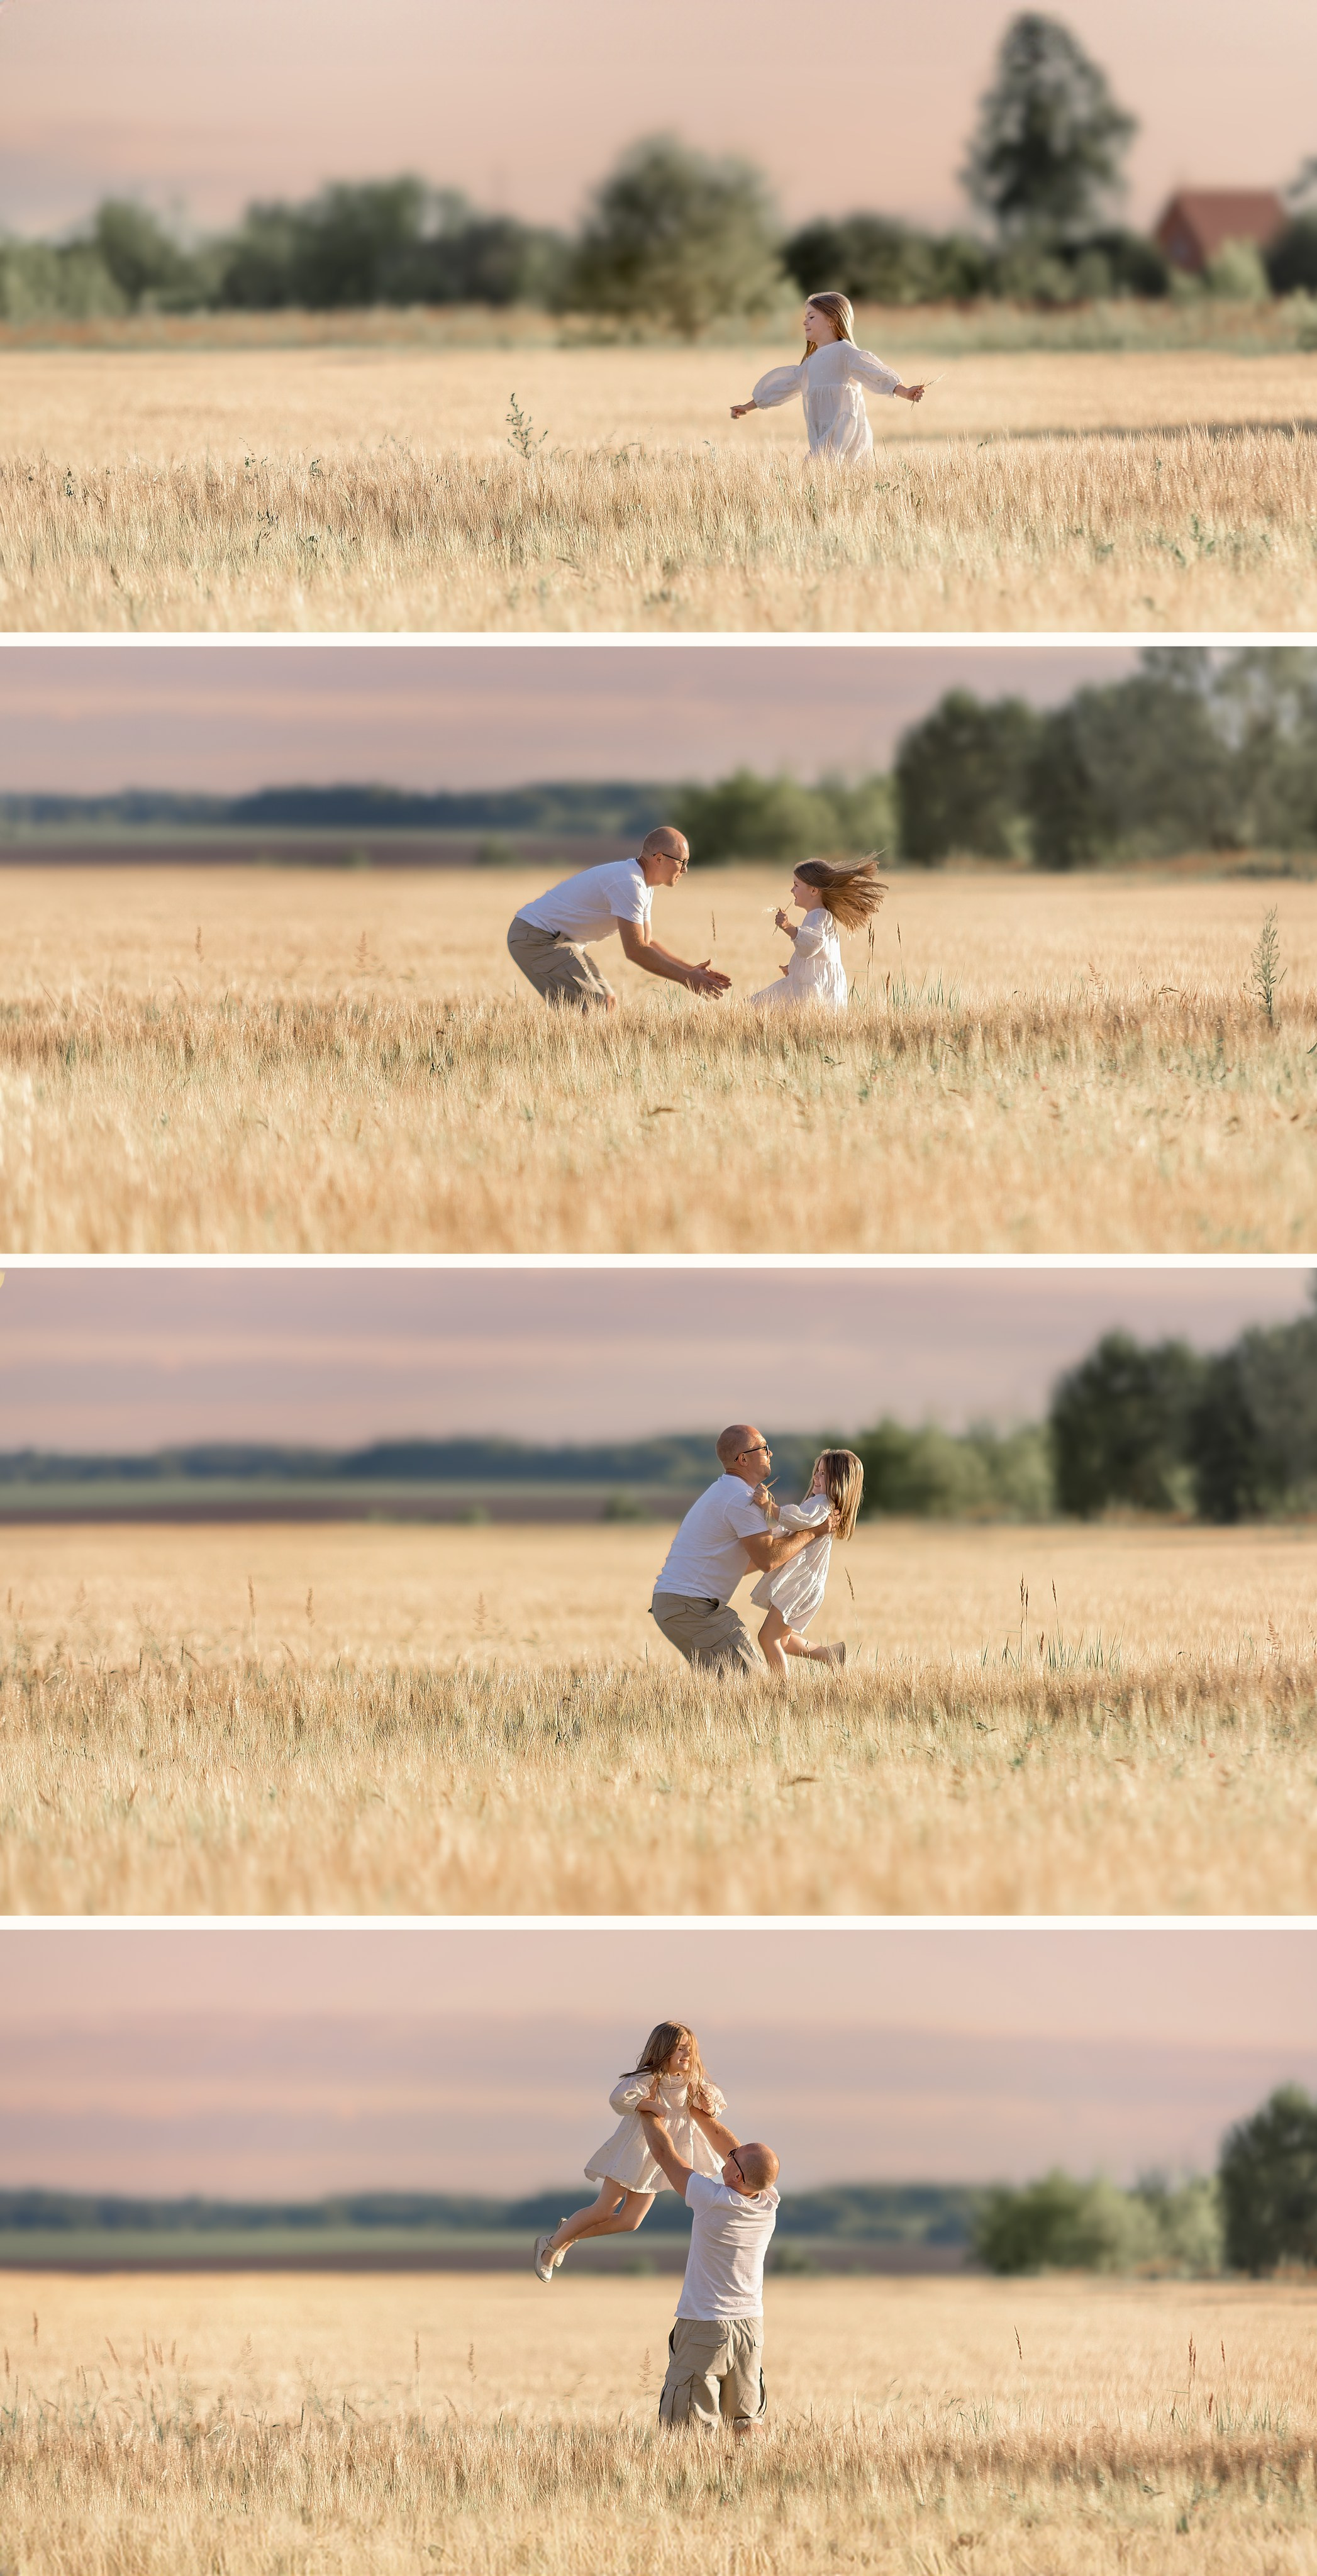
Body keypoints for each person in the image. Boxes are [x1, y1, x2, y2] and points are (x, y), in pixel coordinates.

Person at [532, 2021, 725, 2279]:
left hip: (659, 2159)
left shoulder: (693, 2083)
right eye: (680, 2049)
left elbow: (716, 2106)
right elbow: (619, 2099)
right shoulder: (648, 2079)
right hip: (635, 2152)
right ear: (663, 2050)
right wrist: (649, 2105)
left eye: (690, 2049)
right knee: (602, 2210)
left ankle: (564, 2235)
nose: (687, 2055)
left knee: (630, 2222)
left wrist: (707, 2106)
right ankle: (549, 2248)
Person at [642, 2092, 781, 2437]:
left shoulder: (712, 2201)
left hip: (706, 2324)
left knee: (690, 2427)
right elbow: (741, 2157)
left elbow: (664, 2155)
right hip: (750, 2328)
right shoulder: (768, 2202)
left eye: (734, 2158)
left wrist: (646, 2112)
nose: (729, 2153)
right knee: (747, 2423)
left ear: (736, 2177)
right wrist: (698, 2115)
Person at [649, 1424, 838, 1675]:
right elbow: (768, 1560)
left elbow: (745, 1564)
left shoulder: (726, 1490)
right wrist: (814, 1531)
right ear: (744, 1459)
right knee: (752, 1686)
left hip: (678, 1605)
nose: (770, 1454)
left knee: (738, 1689)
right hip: (691, 1608)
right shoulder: (742, 1500)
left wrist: (791, 1542)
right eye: (764, 1448)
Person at [506, 827, 730, 1014]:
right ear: (659, 858)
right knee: (594, 1008)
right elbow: (636, 951)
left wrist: (691, 971)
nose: (685, 870)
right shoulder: (629, 883)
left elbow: (647, 942)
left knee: (608, 1003)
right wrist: (686, 979)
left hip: (556, 940)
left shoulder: (643, 885)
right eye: (683, 862)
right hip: (537, 938)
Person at [730, 292, 927, 464]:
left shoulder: (845, 352)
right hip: (822, 431)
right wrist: (750, 406)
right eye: (805, 317)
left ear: (832, 320)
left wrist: (905, 392)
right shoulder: (811, 362)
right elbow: (785, 386)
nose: (804, 321)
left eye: (812, 316)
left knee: (816, 467)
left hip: (845, 429)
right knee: (823, 473)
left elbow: (874, 373)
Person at [751, 1447, 864, 1672]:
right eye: (817, 1471)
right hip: (805, 1584)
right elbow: (791, 1528)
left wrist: (769, 1506)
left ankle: (781, 1690)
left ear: (839, 1480)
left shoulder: (822, 1504)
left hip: (799, 1584)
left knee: (768, 1638)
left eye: (823, 1474)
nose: (816, 1477)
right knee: (783, 1640)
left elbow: (796, 1520)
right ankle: (830, 1655)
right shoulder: (823, 1505)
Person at [750, 858, 886, 1012]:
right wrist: (796, 967)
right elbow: (818, 953)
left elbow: (812, 944)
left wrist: (787, 927)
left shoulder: (819, 916)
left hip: (816, 988)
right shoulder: (818, 915)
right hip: (814, 983)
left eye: (796, 885)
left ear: (814, 891)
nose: (792, 890)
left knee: (757, 1006)